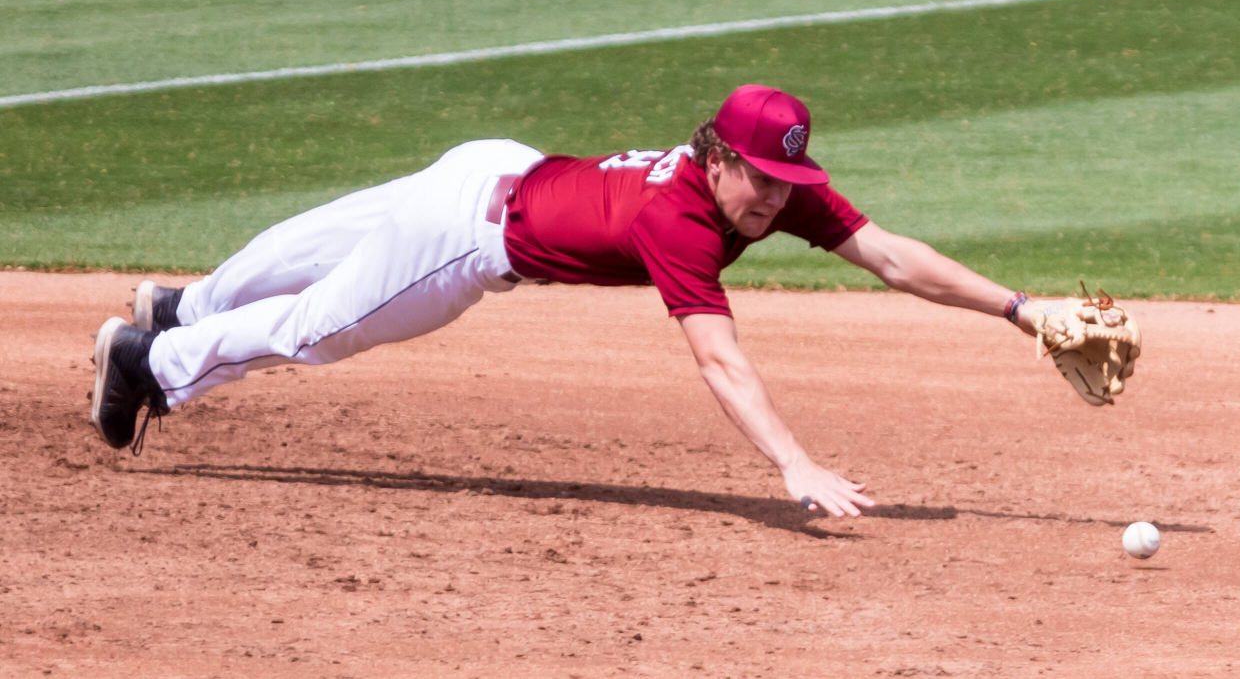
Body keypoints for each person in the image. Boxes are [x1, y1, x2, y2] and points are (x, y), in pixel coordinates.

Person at [90, 84, 1042, 519]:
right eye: (755, 179)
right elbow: (717, 357)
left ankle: (181, 308)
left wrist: (1019, 308)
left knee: (315, 241)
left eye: (786, 183)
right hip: (461, 241)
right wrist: (794, 464)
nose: (775, 199)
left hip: (497, 165)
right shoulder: (683, 223)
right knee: (317, 329)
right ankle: (152, 364)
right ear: (714, 159)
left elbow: (889, 255)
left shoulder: (774, 194)